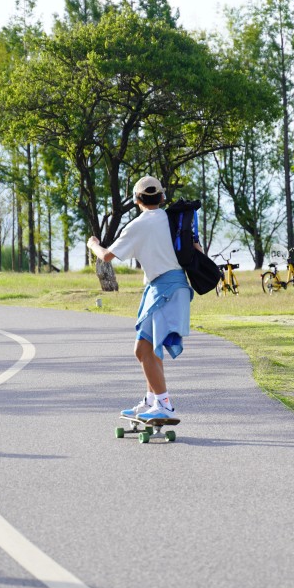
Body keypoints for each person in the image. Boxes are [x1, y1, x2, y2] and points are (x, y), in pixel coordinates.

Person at [87, 175, 199, 421]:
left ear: (137, 200)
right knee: (149, 348)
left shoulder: (138, 225)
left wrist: (93, 244)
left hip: (164, 290)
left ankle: (164, 405)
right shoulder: (172, 218)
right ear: (162, 197)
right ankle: (152, 401)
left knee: (143, 349)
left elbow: (107, 256)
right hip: (174, 287)